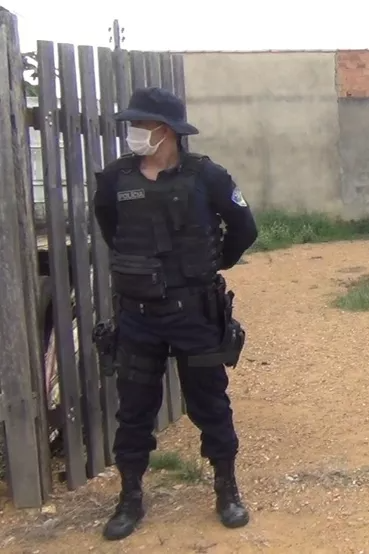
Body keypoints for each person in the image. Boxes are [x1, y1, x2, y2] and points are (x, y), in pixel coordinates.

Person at [92, 87, 258, 540]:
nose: (133, 133)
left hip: (194, 312)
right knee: (134, 409)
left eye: (140, 125)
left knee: (210, 402)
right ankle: (130, 496)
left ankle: (226, 489)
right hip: (137, 314)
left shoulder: (208, 176)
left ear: (164, 131)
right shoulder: (115, 179)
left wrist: (213, 263)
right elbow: (111, 229)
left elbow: (244, 227)